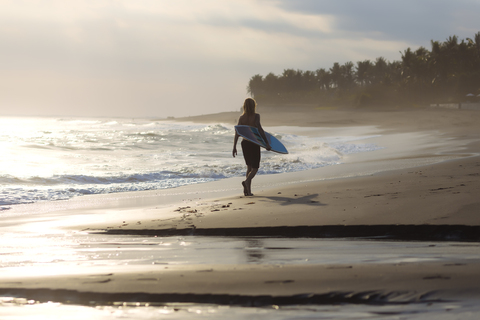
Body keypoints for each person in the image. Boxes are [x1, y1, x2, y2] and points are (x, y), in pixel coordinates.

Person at [232, 98, 271, 196]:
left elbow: (237, 132)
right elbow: (260, 129)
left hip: (245, 144)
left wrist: (234, 147)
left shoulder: (241, 118)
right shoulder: (256, 116)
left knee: (249, 167)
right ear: (254, 105)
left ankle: (247, 191)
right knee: (255, 168)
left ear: (244, 106)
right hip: (254, 143)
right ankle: (246, 182)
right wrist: (266, 143)